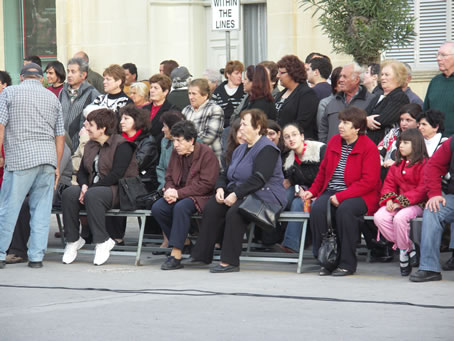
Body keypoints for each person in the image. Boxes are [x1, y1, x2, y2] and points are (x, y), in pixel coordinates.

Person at [187, 109, 287, 272]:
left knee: (235, 212)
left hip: (265, 195)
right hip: (242, 193)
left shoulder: (267, 148)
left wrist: (235, 194)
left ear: (258, 126)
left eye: (245, 124)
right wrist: (220, 188)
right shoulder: (240, 149)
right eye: (241, 124)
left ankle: (230, 261)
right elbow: (225, 174)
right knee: (212, 207)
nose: (240, 128)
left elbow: (259, 178)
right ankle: (202, 255)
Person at [0, 63, 65, 269]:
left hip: (20, 158)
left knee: (8, 208)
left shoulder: (9, 92)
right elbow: (60, 136)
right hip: (47, 158)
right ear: (40, 79)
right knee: (41, 210)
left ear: (21, 77)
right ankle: (36, 257)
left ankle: (1, 254)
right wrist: (56, 165)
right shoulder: (52, 97)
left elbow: (0, 126)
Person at [302, 106, 381, 276]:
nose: (340, 126)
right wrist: (313, 191)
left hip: (361, 195)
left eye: (346, 123)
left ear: (357, 128)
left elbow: (369, 181)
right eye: (340, 122)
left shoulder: (369, 147)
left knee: (345, 211)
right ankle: (326, 259)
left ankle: (347, 263)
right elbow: (323, 171)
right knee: (317, 209)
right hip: (332, 191)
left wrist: (342, 195)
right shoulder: (334, 141)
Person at [61, 109, 138, 266]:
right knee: (69, 193)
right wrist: (83, 185)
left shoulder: (123, 145)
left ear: (103, 128)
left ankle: (102, 240)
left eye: (91, 125)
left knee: (93, 195)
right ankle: (73, 239)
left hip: (117, 190)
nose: (87, 128)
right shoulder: (90, 145)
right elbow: (82, 171)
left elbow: (116, 174)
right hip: (91, 188)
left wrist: (89, 189)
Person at [152, 120, 219, 270]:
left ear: (191, 140)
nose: (175, 145)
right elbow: (169, 177)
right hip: (179, 194)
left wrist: (178, 193)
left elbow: (207, 185)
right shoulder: (177, 153)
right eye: (174, 140)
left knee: (181, 207)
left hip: (202, 196)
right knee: (158, 208)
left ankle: (176, 254)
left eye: (179, 140)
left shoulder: (206, 154)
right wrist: (169, 190)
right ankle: (185, 242)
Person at [6, 141, 72, 264]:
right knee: (10, 200)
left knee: (25, 205)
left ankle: (18, 251)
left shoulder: (62, 147)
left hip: (56, 188)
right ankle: (8, 247)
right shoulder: (40, 144)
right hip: (36, 185)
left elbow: (53, 173)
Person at [374, 128, 428, 276]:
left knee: (400, 218)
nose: (400, 146)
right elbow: (389, 185)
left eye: (405, 142)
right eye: (400, 143)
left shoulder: (424, 164)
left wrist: (400, 201)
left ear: (416, 144)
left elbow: (422, 189)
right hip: (399, 202)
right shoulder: (397, 165)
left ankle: (404, 253)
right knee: (380, 217)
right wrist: (390, 199)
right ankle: (407, 247)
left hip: (418, 204)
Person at [409, 137, 454, 282]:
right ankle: (429, 268)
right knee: (433, 209)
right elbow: (433, 166)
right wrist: (434, 194)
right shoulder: (451, 142)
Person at [280, 123, 326, 253]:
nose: (291, 139)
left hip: (322, 191)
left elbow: (329, 176)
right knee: (284, 196)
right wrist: (297, 187)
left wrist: (313, 193)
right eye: (287, 137)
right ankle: (270, 233)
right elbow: (296, 182)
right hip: (305, 190)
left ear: (302, 136)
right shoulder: (288, 160)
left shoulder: (319, 149)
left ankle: (291, 244)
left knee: (298, 203)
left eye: (294, 135)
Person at [319, 63, 375, 143]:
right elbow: (323, 130)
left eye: (344, 77)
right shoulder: (332, 102)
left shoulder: (371, 101)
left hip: (358, 153)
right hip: (334, 153)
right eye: (340, 76)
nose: (340, 80)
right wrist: (326, 150)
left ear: (356, 80)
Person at [59, 57, 100, 152]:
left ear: (83, 75)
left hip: (82, 148)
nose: (69, 75)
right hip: (63, 146)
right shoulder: (62, 92)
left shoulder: (93, 93)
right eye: (68, 71)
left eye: (73, 72)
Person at [275, 55, 319, 140]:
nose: (278, 76)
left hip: (297, 143)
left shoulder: (306, 94)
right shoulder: (280, 94)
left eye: (282, 73)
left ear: (293, 73)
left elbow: (302, 123)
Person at [366, 60, 410, 145]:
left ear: (398, 77)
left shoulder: (400, 97)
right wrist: (365, 120)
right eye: (382, 74)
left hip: (384, 147)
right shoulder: (378, 96)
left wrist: (364, 120)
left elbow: (381, 121)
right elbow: (361, 115)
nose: (382, 78)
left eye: (387, 75)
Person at [182, 78, 224, 162]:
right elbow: (180, 133)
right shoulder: (185, 110)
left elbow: (209, 137)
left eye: (194, 94)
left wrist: (186, 143)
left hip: (209, 159)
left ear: (205, 95)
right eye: (189, 93)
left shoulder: (215, 109)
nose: (190, 97)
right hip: (188, 159)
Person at [423, 42, 454, 136]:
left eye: (443, 55)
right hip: (434, 141)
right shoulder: (435, 81)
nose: (438, 58)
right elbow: (425, 112)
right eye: (437, 55)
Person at [379, 103, 422, 171]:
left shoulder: (421, 139)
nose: (403, 123)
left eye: (408, 120)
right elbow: (380, 151)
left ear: (418, 123)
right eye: (402, 120)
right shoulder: (394, 133)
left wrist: (396, 164)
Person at [211, 60, 245, 129]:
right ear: (228, 74)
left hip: (239, 128)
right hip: (221, 129)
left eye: (241, 73)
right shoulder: (218, 91)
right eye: (236, 73)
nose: (240, 76)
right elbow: (213, 111)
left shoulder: (245, 90)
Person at [143, 74, 175, 144]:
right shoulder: (143, 109)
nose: (152, 90)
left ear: (165, 92)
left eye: (156, 88)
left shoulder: (172, 111)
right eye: (151, 87)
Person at [316, 66, 342, 131]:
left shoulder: (354, 100)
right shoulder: (325, 103)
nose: (343, 85)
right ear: (334, 86)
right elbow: (321, 128)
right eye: (340, 83)